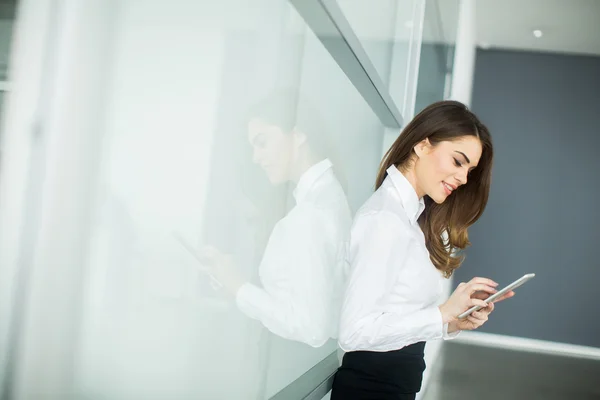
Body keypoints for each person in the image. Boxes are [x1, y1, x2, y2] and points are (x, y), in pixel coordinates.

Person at [331, 101, 514, 399]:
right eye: (458, 161)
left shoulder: (412, 218)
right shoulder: (385, 220)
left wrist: (452, 321)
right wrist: (441, 314)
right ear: (422, 145)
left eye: (470, 169)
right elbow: (355, 332)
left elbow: (396, 318)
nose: (464, 179)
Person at [201, 89, 352, 347]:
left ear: (298, 134)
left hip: (294, 365)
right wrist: (235, 286)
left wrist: (239, 287)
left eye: (262, 142)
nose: (255, 157)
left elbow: (311, 327)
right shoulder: (328, 195)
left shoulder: (310, 214)